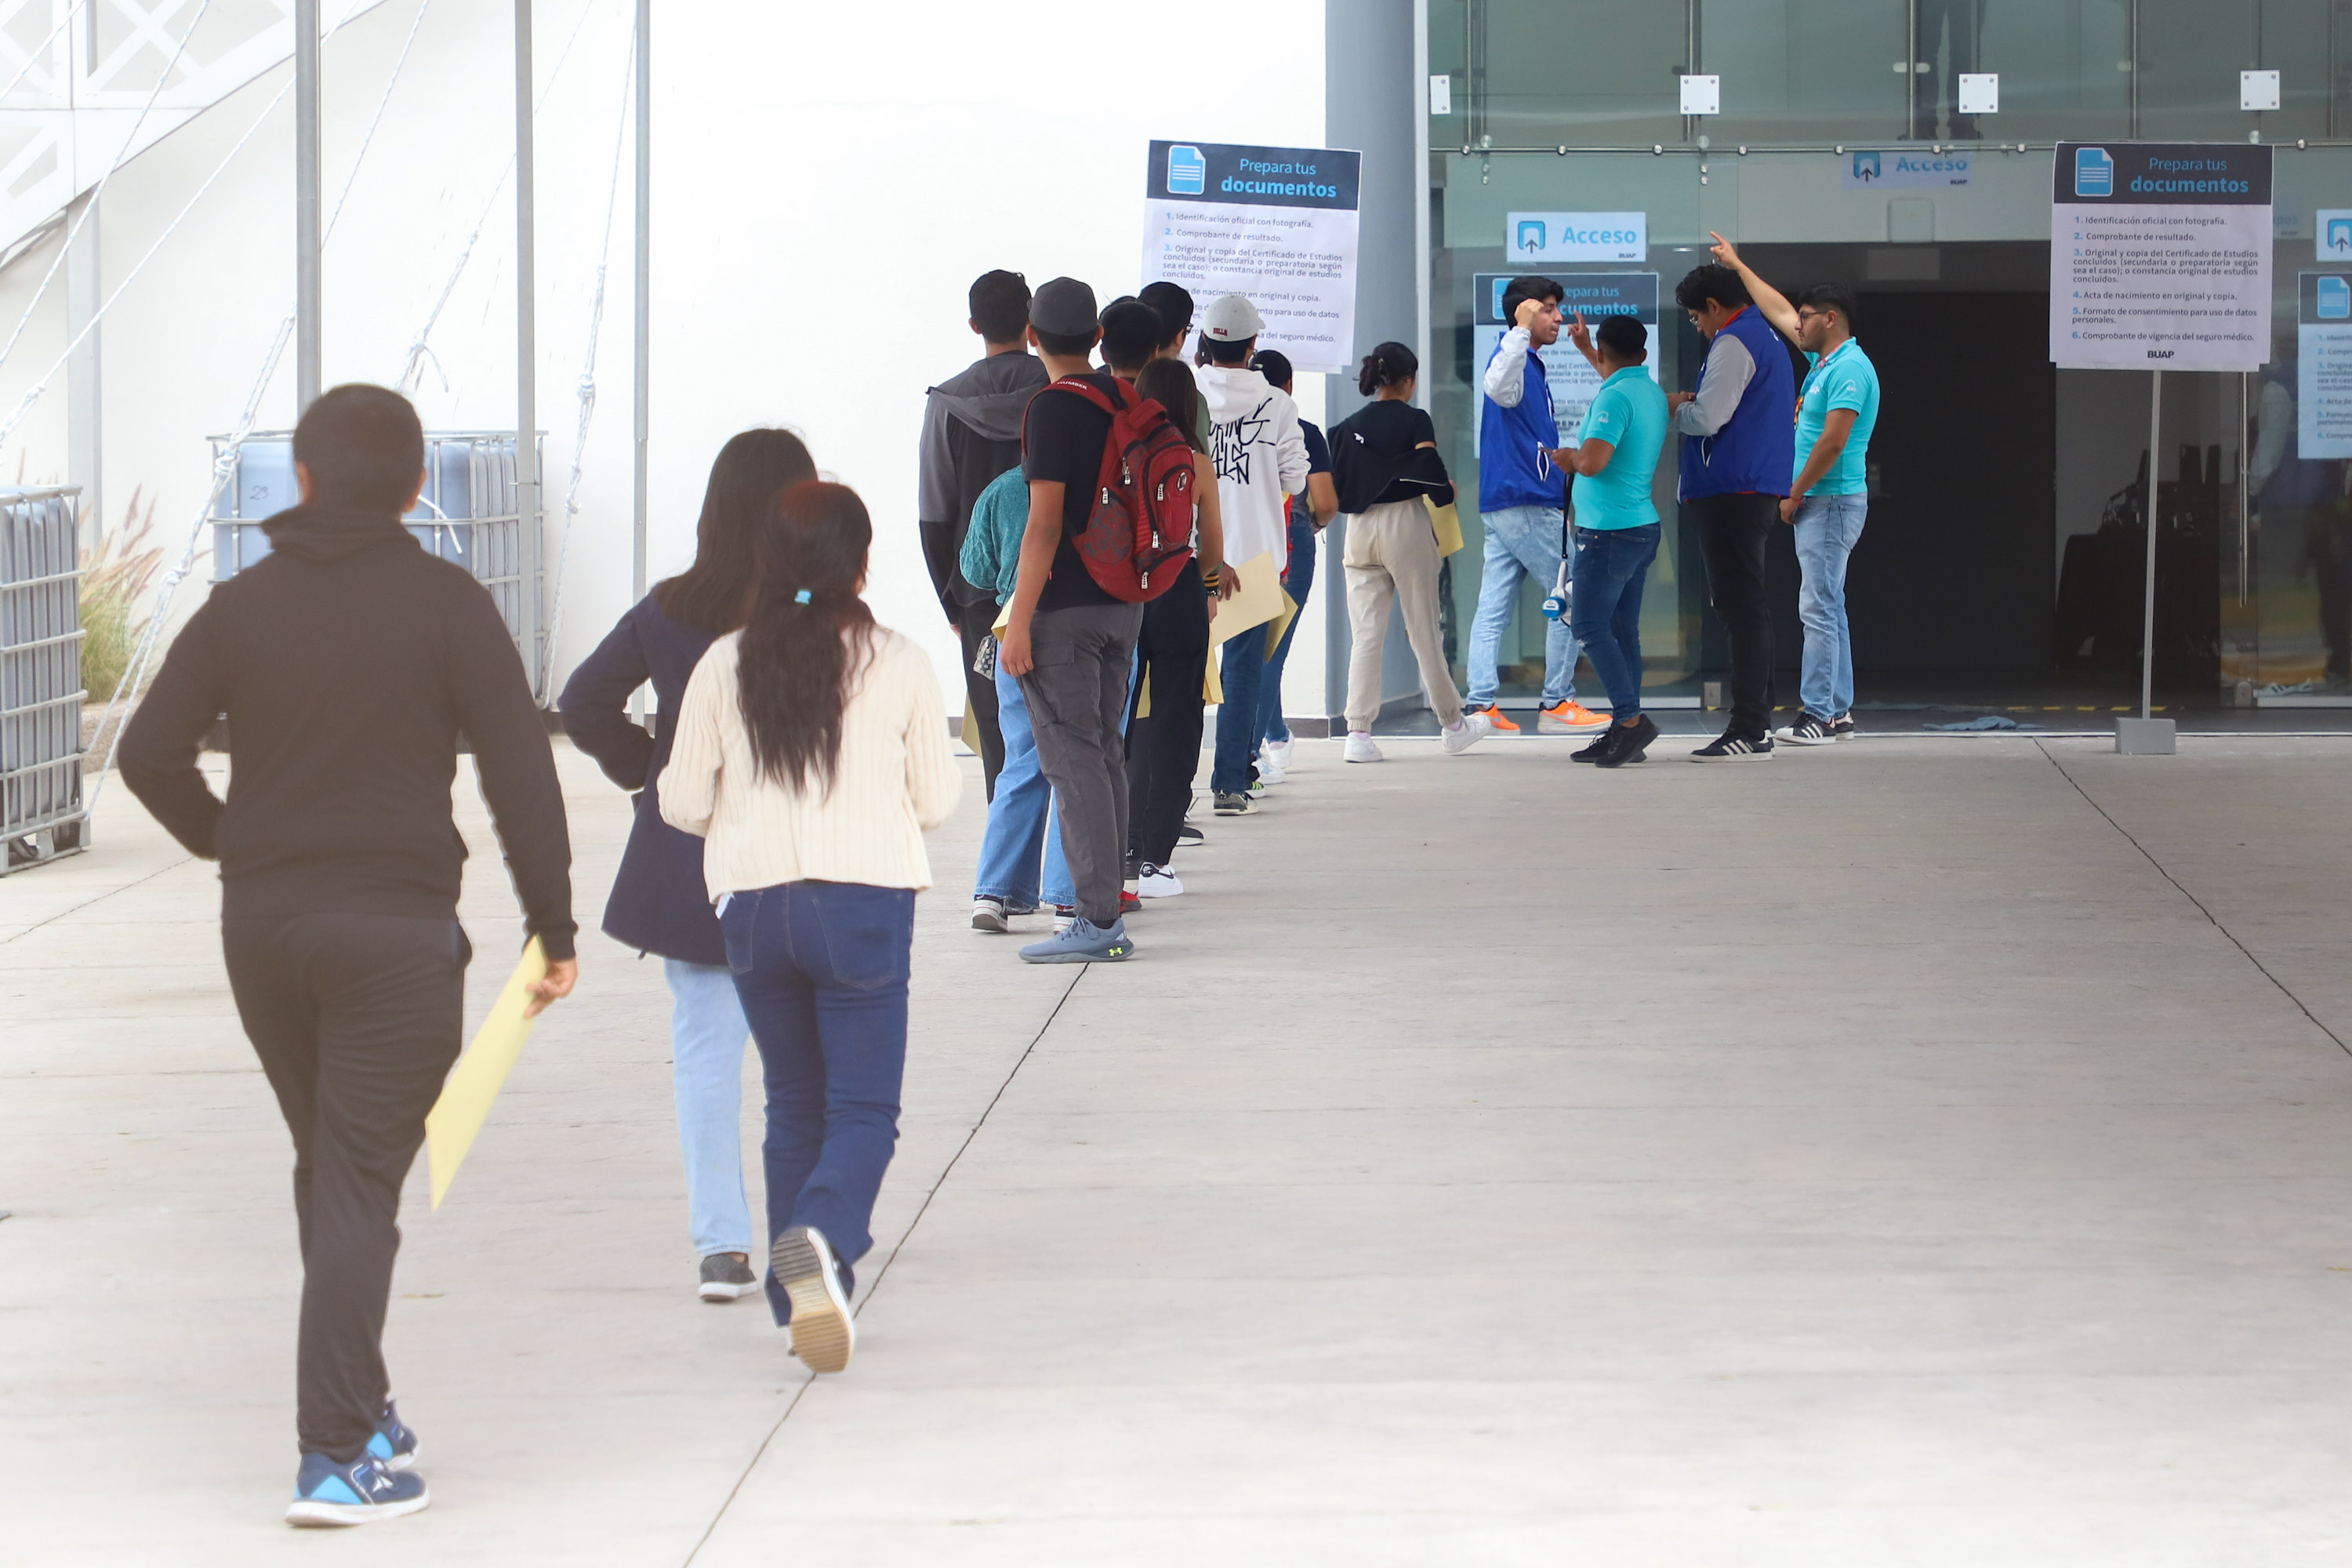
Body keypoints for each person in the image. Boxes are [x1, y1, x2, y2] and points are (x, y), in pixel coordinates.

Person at [118, 383, 578, 1527]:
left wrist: (234, 843)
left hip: (265, 930)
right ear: (420, 487)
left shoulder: (239, 607)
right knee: (360, 1177)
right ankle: (332, 1454)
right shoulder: (449, 603)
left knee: (332, 1166)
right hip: (393, 934)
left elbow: (146, 754)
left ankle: (361, 1405)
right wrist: (553, 928)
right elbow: (520, 775)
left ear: (305, 481)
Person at [659, 479, 961, 1376]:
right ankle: (821, 1242)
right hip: (863, 902)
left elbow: (680, 801)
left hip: (753, 905)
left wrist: (746, 823)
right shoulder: (899, 660)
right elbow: (938, 802)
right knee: (864, 1107)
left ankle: (803, 1306)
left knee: (793, 1101)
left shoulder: (724, 662)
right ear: (862, 563)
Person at [558, 429, 815, 1304]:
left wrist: (650, 773)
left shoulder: (666, 607)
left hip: (693, 857)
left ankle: (721, 1247)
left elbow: (582, 700)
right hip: (801, 858)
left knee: (706, 1051)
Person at [998, 276, 1143, 963]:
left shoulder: (1052, 409)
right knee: (1104, 752)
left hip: (1066, 611)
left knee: (1073, 758)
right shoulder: (1125, 398)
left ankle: (1097, 920)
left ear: (1032, 336)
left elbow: (1043, 525)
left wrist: (1018, 620)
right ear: (1095, 338)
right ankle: (1108, 901)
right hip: (1125, 604)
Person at [1708, 234, 1881, 746]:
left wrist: (1794, 492)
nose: (1795, 324)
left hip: (1827, 500)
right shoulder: (1825, 362)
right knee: (1829, 604)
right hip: (1821, 500)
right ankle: (1839, 711)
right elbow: (1778, 309)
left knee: (1818, 607)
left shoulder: (1849, 368)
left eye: (1806, 318)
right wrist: (1739, 267)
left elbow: (1832, 442)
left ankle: (1820, 714)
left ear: (1830, 320)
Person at [918, 269, 1048, 799]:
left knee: (996, 725)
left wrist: (952, 602)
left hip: (980, 595)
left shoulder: (946, 404)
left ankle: (1006, 854)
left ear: (974, 325)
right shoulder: (1058, 389)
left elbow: (934, 511)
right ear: (1030, 323)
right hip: (1056, 581)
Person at [1327, 341, 1486, 762]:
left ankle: (1357, 734)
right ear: (1408, 381)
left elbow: (1338, 482)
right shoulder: (1415, 420)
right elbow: (1432, 474)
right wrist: (1445, 492)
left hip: (1358, 529)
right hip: (1405, 524)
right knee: (1423, 629)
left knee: (1366, 634)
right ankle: (1453, 724)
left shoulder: (1347, 424)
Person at [1468, 274, 1610, 739]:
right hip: (1526, 497)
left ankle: (1481, 705)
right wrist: (1520, 331)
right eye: (1548, 309)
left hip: (1509, 497)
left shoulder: (1530, 363)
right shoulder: (1513, 357)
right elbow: (1496, 388)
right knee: (1572, 594)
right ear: (1525, 312)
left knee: (1493, 605)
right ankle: (1557, 701)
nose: (1558, 318)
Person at [1668, 261, 1796, 760]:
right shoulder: (1764, 340)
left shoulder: (1734, 341)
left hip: (1733, 490)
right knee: (1747, 606)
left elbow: (1708, 417)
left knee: (1741, 608)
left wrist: (1678, 406)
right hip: (1749, 487)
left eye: (1696, 316)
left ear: (1715, 307)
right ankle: (1756, 719)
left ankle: (1749, 725)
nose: (1696, 326)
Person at [1193, 293, 1308, 815]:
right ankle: (1230, 784)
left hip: (1190, 549)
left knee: (1182, 670)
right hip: (1255, 552)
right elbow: (1296, 478)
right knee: (1242, 673)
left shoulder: (1187, 393)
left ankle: (1171, 793)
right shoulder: (1279, 406)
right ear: (1253, 345)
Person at [1123, 355, 1229, 897]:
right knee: (1176, 720)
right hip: (1179, 588)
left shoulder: (1120, 452)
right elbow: (1212, 549)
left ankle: (1118, 841)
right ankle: (1156, 858)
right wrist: (1200, 573)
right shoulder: (1195, 461)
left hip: (1123, 591)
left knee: (1118, 717)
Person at [1553, 314, 1671, 768]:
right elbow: (1613, 368)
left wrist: (1570, 457)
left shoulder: (1615, 398)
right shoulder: (1649, 391)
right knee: (1623, 633)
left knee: (1587, 625)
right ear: (1643, 355)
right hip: (1639, 526)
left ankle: (1628, 722)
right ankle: (1628, 728)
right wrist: (1587, 347)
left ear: (1604, 353)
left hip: (1609, 533)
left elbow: (1594, 462)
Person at [1247, 347, 1337, 785]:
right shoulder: (1302, 431)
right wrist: (1312, 525)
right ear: (1290, 386)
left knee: (1249, 648)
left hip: (1240, 544)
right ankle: (1250, 752)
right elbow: (1325, 502)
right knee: (1271, 652)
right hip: (1289, 540)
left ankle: (1275, 735)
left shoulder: (1230, 425)